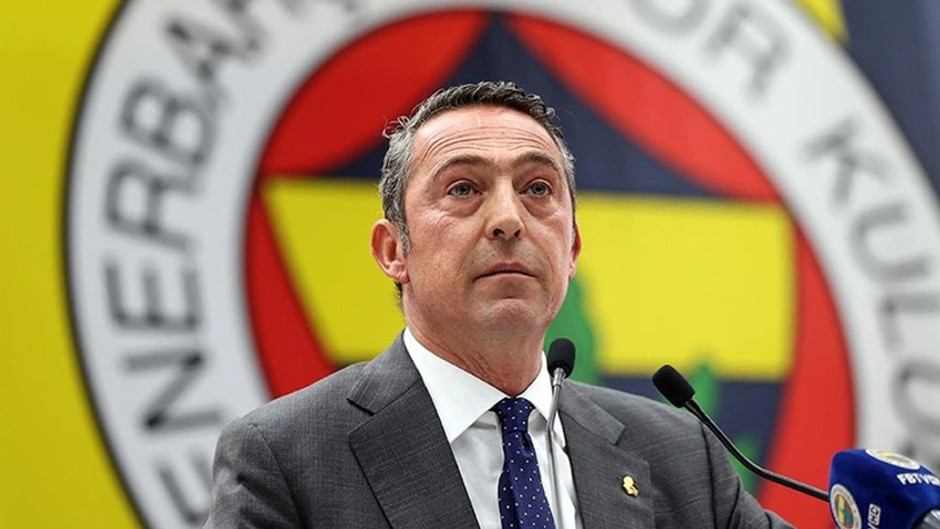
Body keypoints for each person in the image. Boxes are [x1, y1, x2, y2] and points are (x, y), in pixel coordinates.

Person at [204, 81, 794, 528]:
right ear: (393, 251)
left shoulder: (681, 457)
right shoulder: (286, 458)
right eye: (463, 188)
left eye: (537, 189)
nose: (509, 219)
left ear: (571, 249)